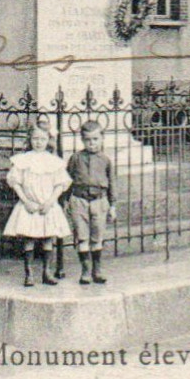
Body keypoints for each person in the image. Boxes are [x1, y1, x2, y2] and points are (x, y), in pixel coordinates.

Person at [3, 123, 71, 287]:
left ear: (48, 140)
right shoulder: (23, 160)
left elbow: (60, 184)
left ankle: (46, 272)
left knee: (48, 238)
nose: (39, 142)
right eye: (35, 138)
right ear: (30, 139)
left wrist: (50, 202)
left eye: (42, 139)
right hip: (29, 205)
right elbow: (15, 182)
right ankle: (29, 274)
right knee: (29, 238)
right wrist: (26, 201)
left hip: (47, 206)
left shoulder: (54, 162)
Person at [65, 119, 116, 285]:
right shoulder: (75, 158)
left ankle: (97, 269)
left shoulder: (106, 160)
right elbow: (67, 180)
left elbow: (112, 184)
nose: (91, 143)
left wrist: (112, 205)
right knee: (82, 237)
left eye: (95, 139)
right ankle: (85, 270)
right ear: (82, 140)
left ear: (102, 139)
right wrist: (66, 201)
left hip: (99, 201)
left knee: (97, 237)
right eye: (88, 140)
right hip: (79, 201)